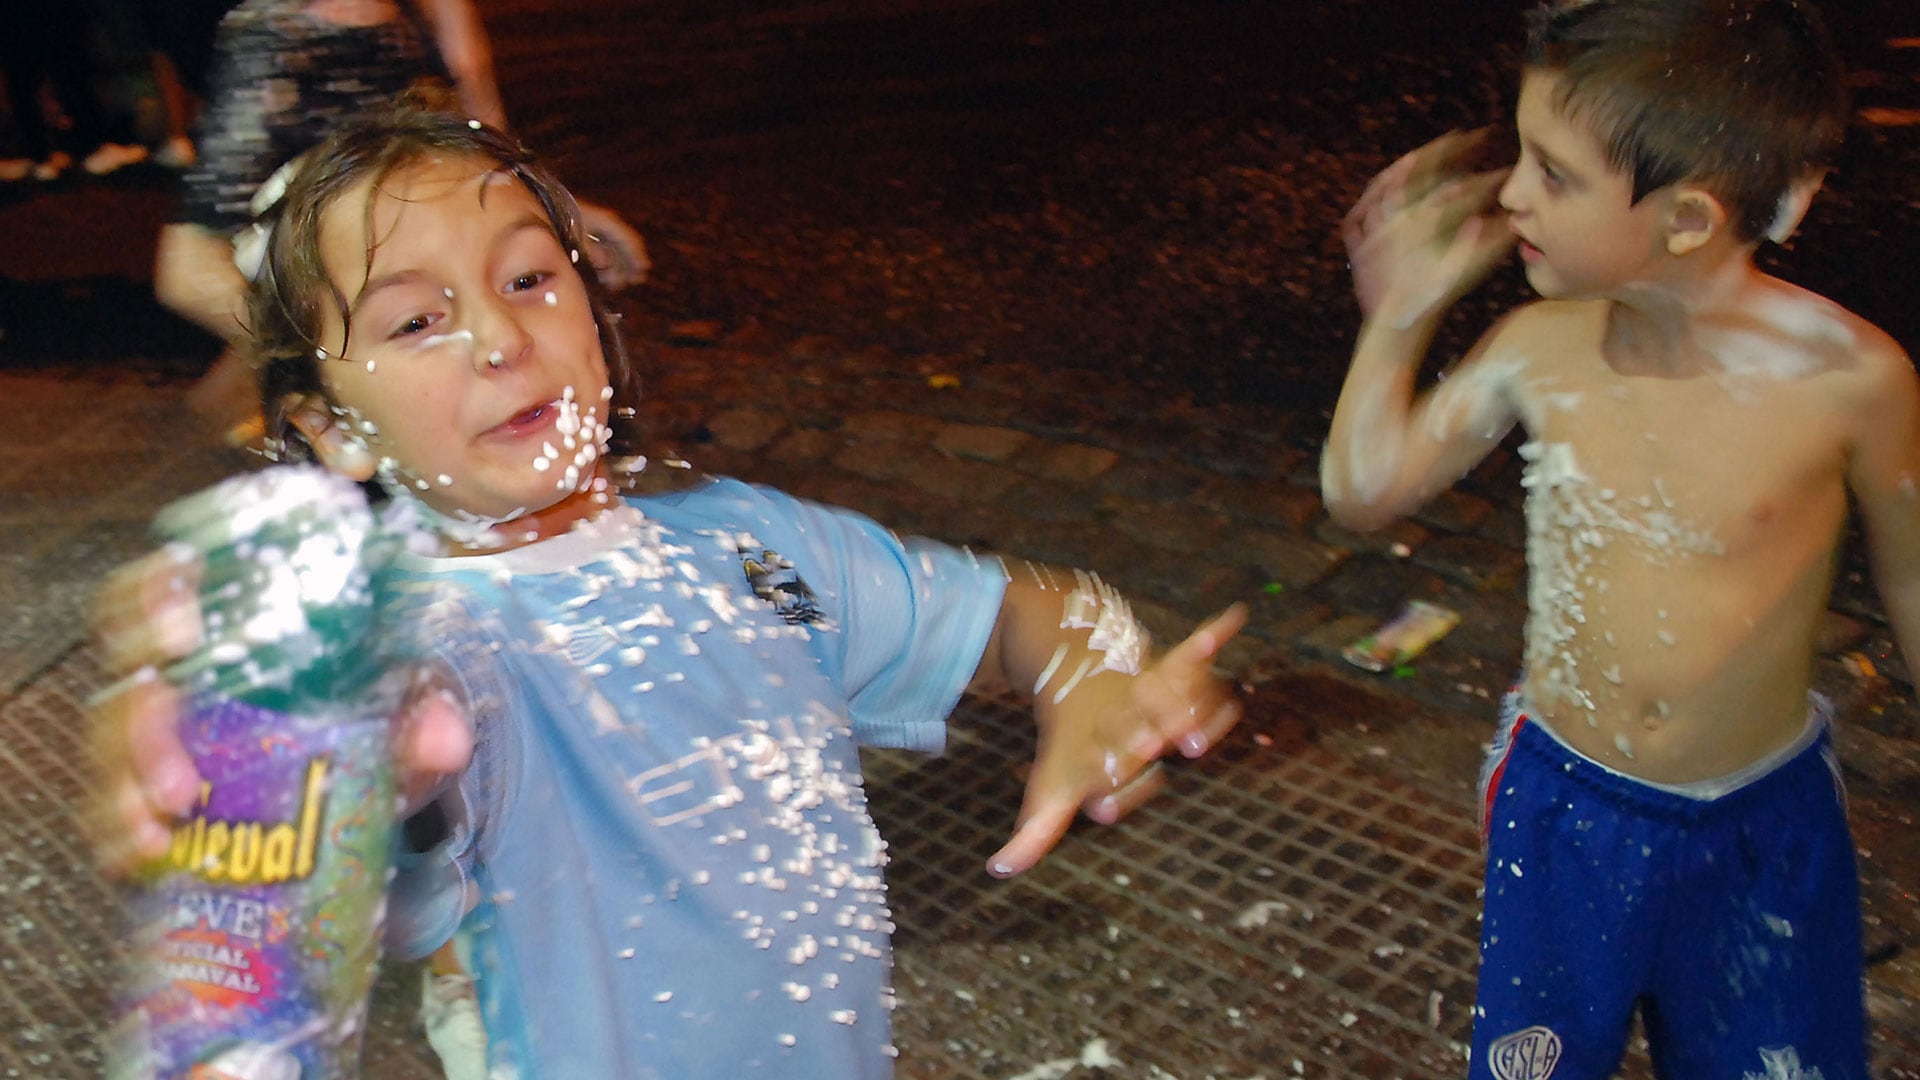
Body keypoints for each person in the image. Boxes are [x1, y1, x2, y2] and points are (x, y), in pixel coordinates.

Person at [90, 100, 1249, 1077]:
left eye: (529, 277)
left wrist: (1093, 670)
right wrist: (276, 754)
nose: (498, 335)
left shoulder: (753, 547)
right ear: (331, 429)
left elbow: (1015, 611)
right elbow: (385, 758)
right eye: (418, 320)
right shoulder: (435, 644)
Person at [1322, 2, 1914, 1077]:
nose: (1512, 194)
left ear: (1686, 219)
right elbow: (1365, 490)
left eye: (1553, 174)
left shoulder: (1851, 380)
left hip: (1763, 825)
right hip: (1568, 811)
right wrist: (1400, 314)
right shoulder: (1537, 349)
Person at [155, 0, 647, 447]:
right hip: (347, 322)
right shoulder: (276, 39)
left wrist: (559, 212)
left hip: (395, 302)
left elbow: (480, 153)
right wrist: (332, 363)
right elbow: (185, 270)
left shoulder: (413, 17)